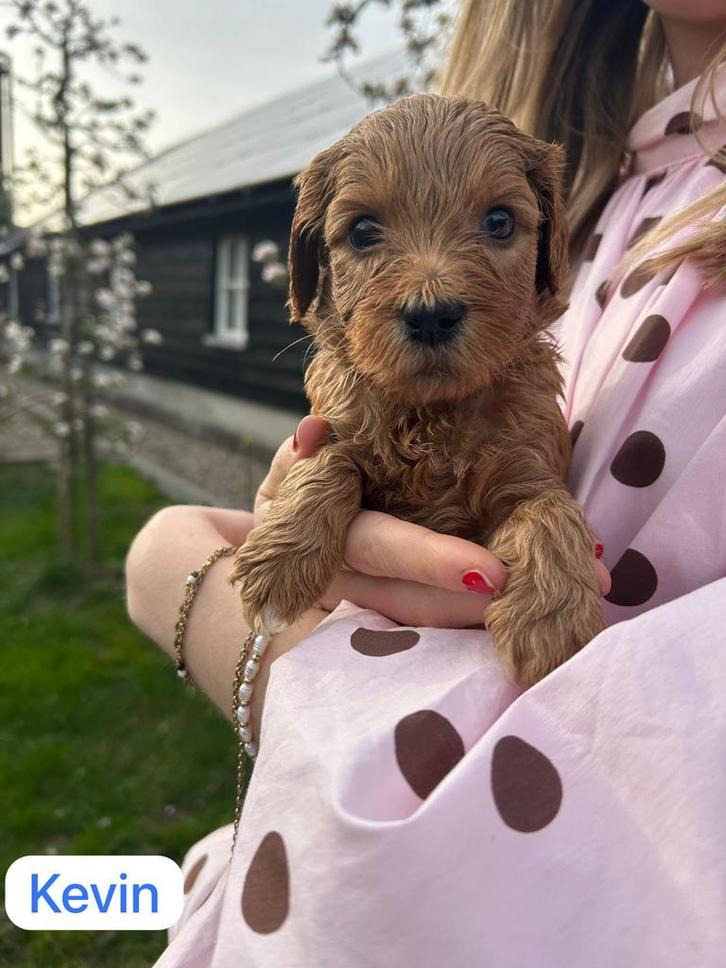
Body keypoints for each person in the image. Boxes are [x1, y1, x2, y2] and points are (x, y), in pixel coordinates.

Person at [126, 1, 726, 964]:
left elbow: (628, 771)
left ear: (542, 255)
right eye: (366, 234)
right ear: (310, 268)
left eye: (494, 224)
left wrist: (195, 597)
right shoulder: (613, 183)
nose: (433, 289)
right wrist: (312, 499)